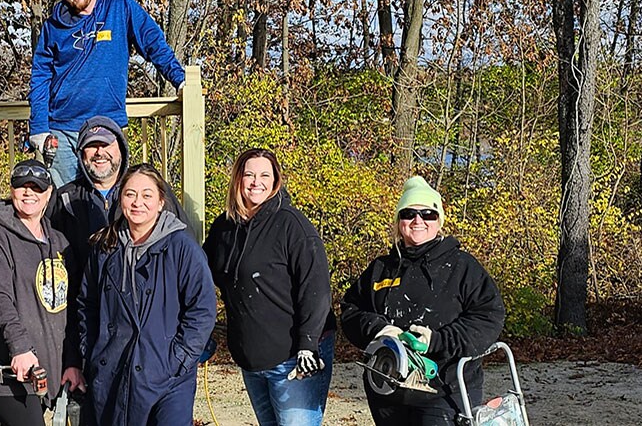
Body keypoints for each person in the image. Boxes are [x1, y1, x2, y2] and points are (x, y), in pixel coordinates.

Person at [340, 176, 505, 425]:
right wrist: (378, 329)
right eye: (409, 214)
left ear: (439, 221)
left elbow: (489, 316)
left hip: (445, 390)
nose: (418, 221)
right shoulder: (381, 268)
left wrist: (437, 340)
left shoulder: (462, 266)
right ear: (398, 221)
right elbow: (350, 310)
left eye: (428, 213)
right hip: (387, 388)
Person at [202, 148, 336, 426]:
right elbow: (202, 275)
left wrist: (308, 345)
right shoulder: (224, 228)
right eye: (248, 174)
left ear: (275, 181)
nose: (255, 182)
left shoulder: (292, 226)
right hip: (252, 358)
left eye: (264, 175)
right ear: (237, 179)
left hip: (295, 358)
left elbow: (317, 289)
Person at [77, 164, 215, 425]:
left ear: (161, 201)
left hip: (167, 376)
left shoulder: (182, 248)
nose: (138, 202)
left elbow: (203, 309)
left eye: (147, 195)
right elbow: (87, 303)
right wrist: (92, 348)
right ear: (120, 198)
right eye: (130, 194)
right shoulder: (105, 246)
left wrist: (178, 358)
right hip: (112, 372)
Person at [29, 0, 186, 187]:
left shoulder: (119, 7)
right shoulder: (52, 27)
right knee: (65, 207)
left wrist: (179, 79)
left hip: (106, 127)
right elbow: (40, 77)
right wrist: (39, 128)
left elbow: (153, 44)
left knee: (109, 200)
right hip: (61, 129)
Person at [0, 159, 79, 425]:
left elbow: (69, 306)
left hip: (43, 360)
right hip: (6, 362)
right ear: (11, 190)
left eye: (37, 187)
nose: (29, 193)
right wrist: (19, 347)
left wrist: (71, 360)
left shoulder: (59, 242)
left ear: (49, 193)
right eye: (21, 186)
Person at [47, 115, 186, 266]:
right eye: (92, 145)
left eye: (106, 144)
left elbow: (186, 246)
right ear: (81, 154)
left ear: (121, 148)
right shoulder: (65, 199)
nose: (99, 152)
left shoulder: (152, 192)